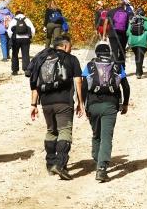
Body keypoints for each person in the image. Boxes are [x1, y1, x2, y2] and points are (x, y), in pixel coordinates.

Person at [28, 34, 83, 180]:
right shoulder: (71, 59)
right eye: (70, 45)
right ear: (65, 46)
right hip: (63, 102)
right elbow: (78, 81)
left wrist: (33, 104)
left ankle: (50, 163)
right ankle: (59, 164)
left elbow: (35, 84)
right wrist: (80, 102)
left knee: (51, 131)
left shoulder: (43, 59)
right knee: (65, 131)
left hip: (45, 102)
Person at [81, 42, 130, 182]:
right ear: (109, 53)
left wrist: (83, 104)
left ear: (96, 53)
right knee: (106, 137)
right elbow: (125, 86)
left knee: (96, 134)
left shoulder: (90, 65)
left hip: (93, 104)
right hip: (110, 105)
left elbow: (84, 86)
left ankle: (97, 159)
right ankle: (102, 168)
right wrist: (125, 103)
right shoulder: (117, 65)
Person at [7, 10, 36, 76]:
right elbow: (33, 30)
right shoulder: (27, 20)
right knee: (25, 54)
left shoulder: (13, 20)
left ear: (15, 14)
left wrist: (11, 38)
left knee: (14, 54)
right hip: (26, 39)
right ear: (23, 14)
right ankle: (26, 70)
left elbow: (9, 31)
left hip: (16, 39)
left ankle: (15, 70)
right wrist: (30, 36)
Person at [126, 7, 147, 78]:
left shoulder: (132, 20)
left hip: (133, 42)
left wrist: (129, 40)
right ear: (144, 14)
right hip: (143, 41)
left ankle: (139, 70)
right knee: (141, 56)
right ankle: (138, 72)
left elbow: (128, 32)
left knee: (137, 56)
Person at [107, 0, 133, 67]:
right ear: (124, 5)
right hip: (122, 35)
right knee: (122, 51)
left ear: (117, 4)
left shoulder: (110, 12)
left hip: (112, 34)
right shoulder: (127, 13)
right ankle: (122, 67)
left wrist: (105, 34)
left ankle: (114, 66)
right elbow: (128, 25)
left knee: (114, 50)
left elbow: (106, 23)